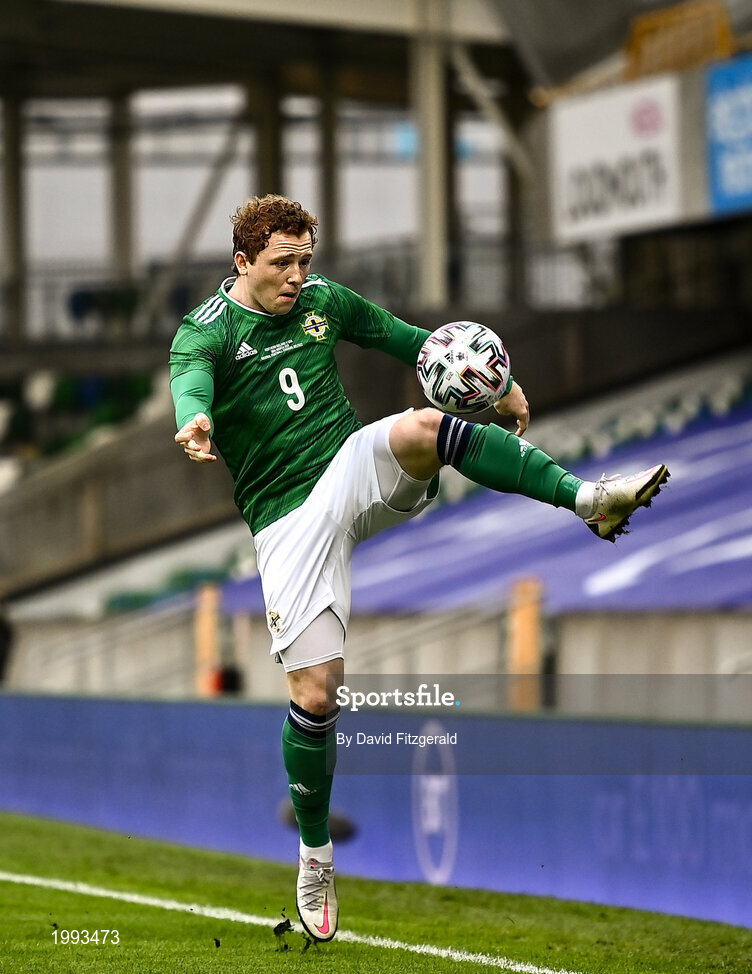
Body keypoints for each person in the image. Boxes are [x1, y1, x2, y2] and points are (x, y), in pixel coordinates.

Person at [169, 194, 669, 942]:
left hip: (349, 466)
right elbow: (192, 379)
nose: (299, 275)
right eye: (282, 263)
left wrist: (498, 387)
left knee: (428, 426)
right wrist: (195, 417)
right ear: (242, 262)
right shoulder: (204, 332)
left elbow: (414, 343)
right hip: (287, 519)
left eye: (306, 259)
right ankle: (315, 857)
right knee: (316, 693)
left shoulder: (325, 301)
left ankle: (587, 498)